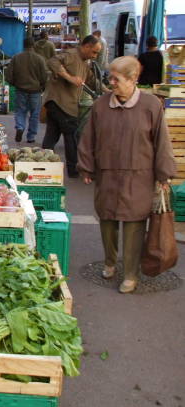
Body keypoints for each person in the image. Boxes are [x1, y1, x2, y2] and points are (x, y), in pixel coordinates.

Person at [78, 56, 175, 293]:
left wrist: (164, 174)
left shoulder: (151, 105)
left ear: (133, 79)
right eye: (109, 77)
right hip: (108, 173)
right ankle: (110, 262)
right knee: (108, 221)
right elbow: (88, 138)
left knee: (134, 225)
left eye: (116, 79)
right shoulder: (101, 105)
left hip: (139, 176)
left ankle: (131, 274)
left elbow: (162, 142)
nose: (111, 82)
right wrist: (86, 166)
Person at [42, 35, 101, 177]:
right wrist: (69, 78)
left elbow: (92, 81)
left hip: (58, 103)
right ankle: (73, 170)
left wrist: (109, 90)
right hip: (61, 103)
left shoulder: (85, 63)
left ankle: (43, 165)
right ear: (86, 46)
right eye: (94, 52)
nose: (95, 56)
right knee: (71, 135)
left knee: (52, 135)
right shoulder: (71, 55)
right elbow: (53, 61)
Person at [5, 37, 48, 143]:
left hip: (20, 89)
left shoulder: (16, 58)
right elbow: (44, 76)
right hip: (35, 90)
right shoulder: (40, 59)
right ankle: (31, 137)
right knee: (34, 113)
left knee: (20, 110)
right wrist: (42, 86)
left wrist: (14, 83)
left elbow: (9, 74)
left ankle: (20, 127)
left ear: (23, 45)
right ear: (33, 45)